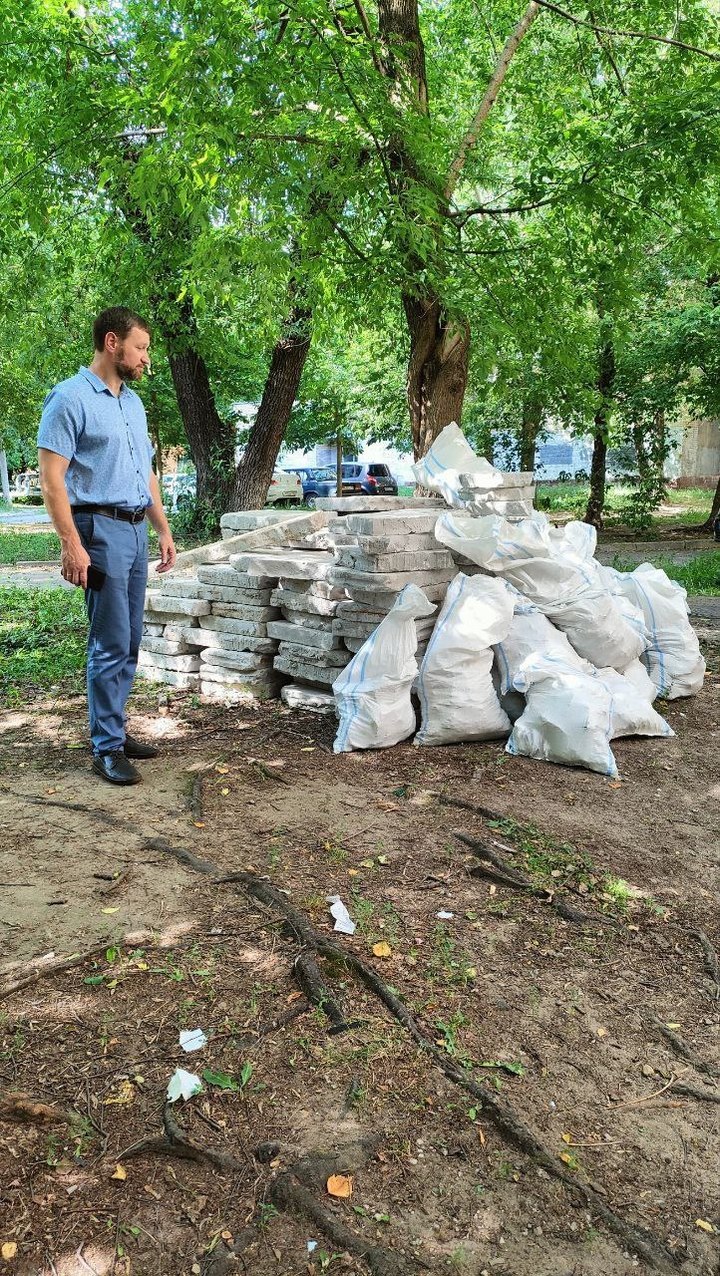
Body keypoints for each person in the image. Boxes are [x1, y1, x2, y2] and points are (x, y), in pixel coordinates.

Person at [37, 306, 177, 786]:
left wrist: (161, 529)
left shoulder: (131, 404)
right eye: (140, 348)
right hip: (98, 530)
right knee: (110, 640)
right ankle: (106, 748)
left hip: (135, 530)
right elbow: (52, 479)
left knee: (131, 638)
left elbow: (147, 475)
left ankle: (113, 728)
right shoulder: (70, 398)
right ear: (113, 342)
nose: (146, 359)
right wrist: (70, 545)